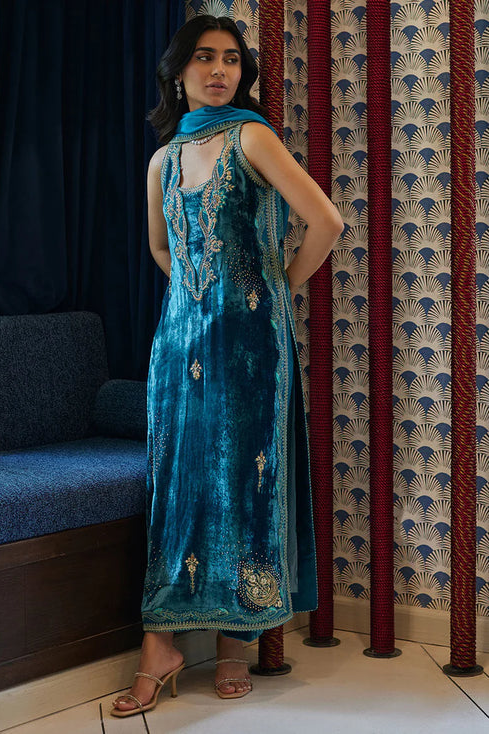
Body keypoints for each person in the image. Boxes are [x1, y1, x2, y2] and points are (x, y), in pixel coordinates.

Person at [111, 14, 344, 718]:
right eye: (205, 58)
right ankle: (162, 645)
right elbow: (161, 247)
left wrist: (269, 292)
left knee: (244, 482)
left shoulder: (251, 137)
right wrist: (197, 298)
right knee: (177, 488)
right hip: (178, 350)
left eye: (232, 60)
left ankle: (236, 642)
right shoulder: (163, 160)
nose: (219, 71)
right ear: (177, 73)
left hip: (249, 349)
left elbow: (326, 223)